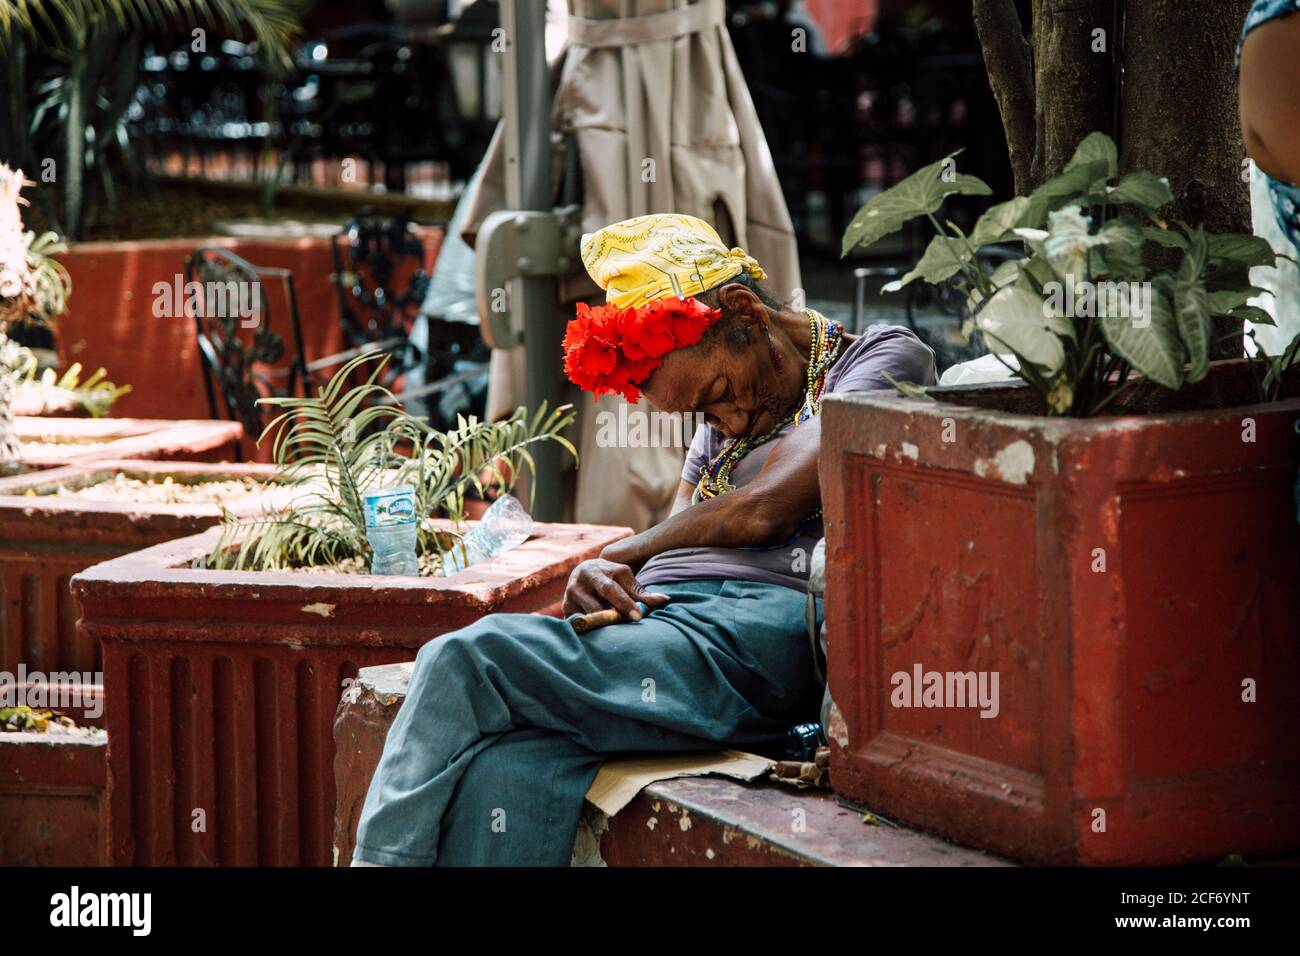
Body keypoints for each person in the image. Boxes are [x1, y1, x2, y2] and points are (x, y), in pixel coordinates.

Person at [350, 213, 936, 866]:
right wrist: (607, 579)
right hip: (672, 627)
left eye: (718, 392)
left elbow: (763, 511)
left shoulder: (885, 359)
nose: (725, 420)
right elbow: (676, 540)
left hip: (759, 636)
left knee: (461, 661)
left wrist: (619, 552)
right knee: (505, 767)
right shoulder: (731, 401)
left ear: (743, 310)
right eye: (704, 414)